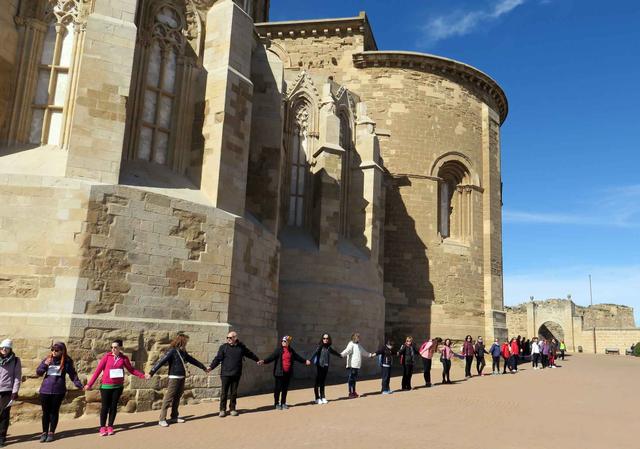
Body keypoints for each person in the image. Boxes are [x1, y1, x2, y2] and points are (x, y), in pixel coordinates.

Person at [85, 339, 147, 436]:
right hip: (106, 386)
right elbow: (98, 371)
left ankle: (110, 426)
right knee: (105, 407)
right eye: (112, 347)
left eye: (115, 347)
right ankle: (102, 427)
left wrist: (142, 376)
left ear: (119, 348)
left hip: (118, 387)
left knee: (113, 407)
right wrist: (89, 384)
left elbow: (131, 370)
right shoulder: (106, 357)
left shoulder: (124, 358)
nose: (113, 349)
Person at [149, 333, 208, 426]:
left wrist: (203, 367)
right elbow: (161, 361)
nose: (186, 344)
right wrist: (151, 372)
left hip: (182, 377)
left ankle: (174, 416)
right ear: (182, 341)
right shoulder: (172, 351)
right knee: (168, 398)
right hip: (174, 377)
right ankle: (162, 419)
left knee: (177, 397)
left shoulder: (183, 352)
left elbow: (192, 360)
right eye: (186, 342)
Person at [36, 342, 83, 442]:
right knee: (45, 413)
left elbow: (73, 374)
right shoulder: (47, 359)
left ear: (62, 351)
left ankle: (51, 432)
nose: (54, 352)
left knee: (54, 412)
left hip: (58, 391)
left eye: (56, 350)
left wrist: (79, 384)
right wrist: (45, 364)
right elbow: (39, 372)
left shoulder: (67, 361)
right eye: (52, 350)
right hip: (45, 390)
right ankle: (44, 432)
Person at [208, 331, 260, 417]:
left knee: (234, 392)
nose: (228, 339)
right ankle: (222, 410)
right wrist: (211, 367)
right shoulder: (223, 347)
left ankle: (232, 409)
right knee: (224, 392)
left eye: (230, 338)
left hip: (236, 373)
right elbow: (218, 358)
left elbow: (249, 354)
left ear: (235, 338)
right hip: (225, 373)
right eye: (227, 338)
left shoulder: (241, 347)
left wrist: (257, 360)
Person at [260, 336, 310, 410]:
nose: (283, 342)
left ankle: (283, 403)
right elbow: (271, 357)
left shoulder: (291, 350)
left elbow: (297, 357)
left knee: (285, 388)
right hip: (279, 373)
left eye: (285, 341)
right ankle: (276, 403)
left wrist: (305, 361)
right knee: (278, 389)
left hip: (287, 373)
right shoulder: (278, 350)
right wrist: (264, 361)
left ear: (288, 342)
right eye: (282, 341)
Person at [0, 339, 21, 448]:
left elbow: (17, 377)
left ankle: (2, 437)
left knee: (4, 414)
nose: (4, 349)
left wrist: (15, 391)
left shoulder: (15, 360)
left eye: (7, 348)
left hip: (7, 391)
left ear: (10, 349)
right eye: (2, 347)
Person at [310, 333, 342, 404]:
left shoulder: (329, 347)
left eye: (327, 338)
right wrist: (309, 360)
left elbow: (334, 352)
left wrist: (340, 355)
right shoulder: (320, 346)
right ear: (322, 339)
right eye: (324, 338)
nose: (325, 340)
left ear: (329, 339)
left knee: (323, 382)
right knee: (317, 382)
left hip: (325, 366)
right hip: (319, 366)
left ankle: (323, 397)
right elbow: (314, 353)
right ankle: (317, 398)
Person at [340, 333, 374, 398]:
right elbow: (347, 351)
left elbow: (363, 352)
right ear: (354, 338)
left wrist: (370, 355)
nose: (358, 338)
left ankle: (354, 391)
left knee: (354, 379)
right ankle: (350, 393)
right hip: (352, 365)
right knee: (351, 379)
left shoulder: (358, 345)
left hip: (356, 365)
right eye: (357, 337)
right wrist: (341, 354)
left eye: (358, 337)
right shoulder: (351, 344)